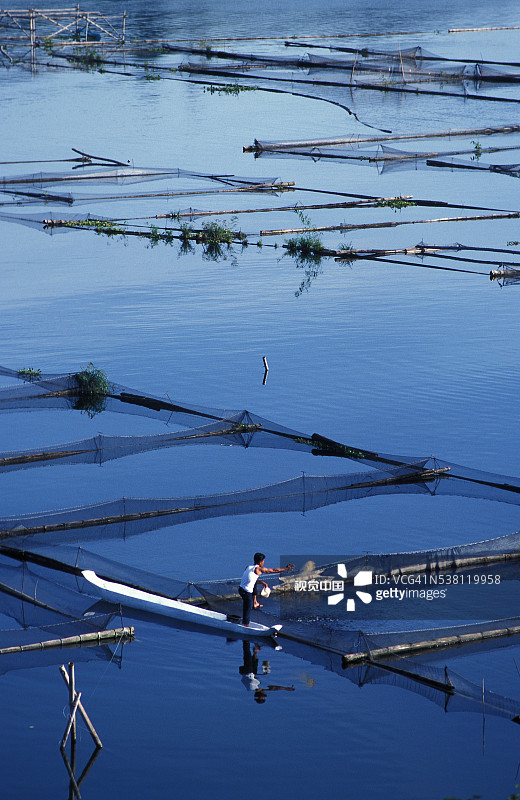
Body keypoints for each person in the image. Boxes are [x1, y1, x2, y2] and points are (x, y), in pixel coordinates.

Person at [238, 552, 294, 626]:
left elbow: (250, 579)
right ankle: (245, 625)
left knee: (254, 585)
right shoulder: (259, 569)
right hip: (246, 592)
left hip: (241, 589)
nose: (263, 562)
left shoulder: (248, 567)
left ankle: (255, 603)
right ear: (261, 562)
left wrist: (262, 582)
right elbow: (274, 570)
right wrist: (286, 568)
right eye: (263, 561)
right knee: (247, 608)